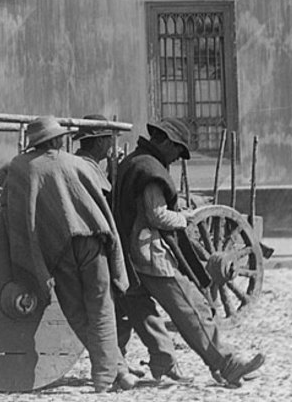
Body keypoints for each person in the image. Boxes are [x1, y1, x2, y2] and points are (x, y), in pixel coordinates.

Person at [113, 118, 265, 388]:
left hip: (130, 252)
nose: (176, 157)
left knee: (141, 310)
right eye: (177, 150)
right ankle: (226, 363)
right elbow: (157, 215)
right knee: (191, 307)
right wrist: (184, 217)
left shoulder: (133, 162)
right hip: (152, 254)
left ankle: (164, 361)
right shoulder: (150, 169)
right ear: (166, 142)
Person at [1, 116, 136, 393]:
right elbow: (100, 197)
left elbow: (11, 206)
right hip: (92, 241)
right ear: (58, 139)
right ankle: (114, 372)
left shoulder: (22, 167)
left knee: (75, 311)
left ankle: (108, 373)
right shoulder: (76, 164)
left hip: (57, 248)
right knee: (101, 308)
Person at [75, 114, 188, 384]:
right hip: (102, 248)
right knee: (120, 307)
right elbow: (153, 216)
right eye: (107, 141)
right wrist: (184, 219)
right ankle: (121, 367)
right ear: (101, 141)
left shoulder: (95, 165)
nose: (110, 148)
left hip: (118, 247)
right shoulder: (86, 168)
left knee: (129, 307)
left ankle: (133, 363)